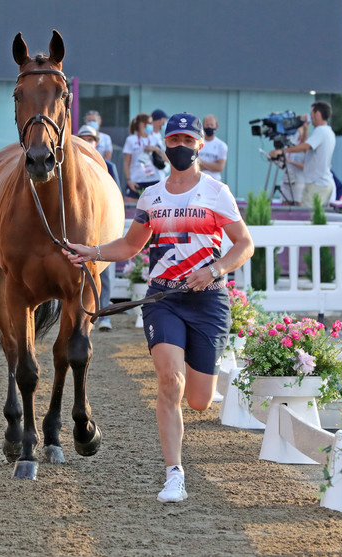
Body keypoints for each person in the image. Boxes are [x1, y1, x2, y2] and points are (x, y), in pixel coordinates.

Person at [63, 113, 254, 503]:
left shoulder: (218, 192)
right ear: (163, 146)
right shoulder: (151, 196)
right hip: (163, 299)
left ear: (201, 145)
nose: (180, 146)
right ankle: (174, 475)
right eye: (174, 140)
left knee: (199, 399)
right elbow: (131, 246)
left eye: (188, 140)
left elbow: (243, 245)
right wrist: (94, 251)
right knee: (170, 380)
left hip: (209, 300)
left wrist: (215, 269)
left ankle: (191, 383)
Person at [76, 124, 120, 331]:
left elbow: (115, 196)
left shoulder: (108, 166)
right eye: (83, 138)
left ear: (97, 142)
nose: (87, 142)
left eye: (90, 139)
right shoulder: (73, 164)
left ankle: (104, 316)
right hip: (80, 226)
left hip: (103, 224)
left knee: (104, 272)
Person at [269, 101, 336, 208]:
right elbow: (307, 149)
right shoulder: (328, 132)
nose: (310, 117)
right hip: (321, 183)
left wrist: (283, 151)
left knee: (306, 219)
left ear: (317, 114)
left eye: (311, 113)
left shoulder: (321, 131)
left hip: (316, 185)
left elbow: (305, 146)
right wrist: (305, 129)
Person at [123, 113, 165, 204]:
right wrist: (129, 180)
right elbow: (126, 162)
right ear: (141, 124)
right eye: (148, 123)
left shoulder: (155, 138)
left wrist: (155, 149)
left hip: (153, 180)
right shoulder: (131, 139)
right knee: (131, 210)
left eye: (150, 123)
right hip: (136, 181)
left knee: (154, 210)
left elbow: (166, 157)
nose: (150, 126)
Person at [279, 123, 308, 206]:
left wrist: (291, 162)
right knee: (286, 205)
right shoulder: (292, 141)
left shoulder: (306, 145)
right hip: (287, 180)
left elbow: (306, 166)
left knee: (299, 207)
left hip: (299, 182)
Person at [197, 114, 228, 182]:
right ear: (203, 126)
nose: (209, 127)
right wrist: (212, 165)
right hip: (197, 181)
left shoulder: (221, 145)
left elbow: (219, 167)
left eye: (211, 125)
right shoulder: (196, 143)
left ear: (216, 126)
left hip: (214, 182)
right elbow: (193, 165)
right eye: (207, 125)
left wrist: (200, 162)